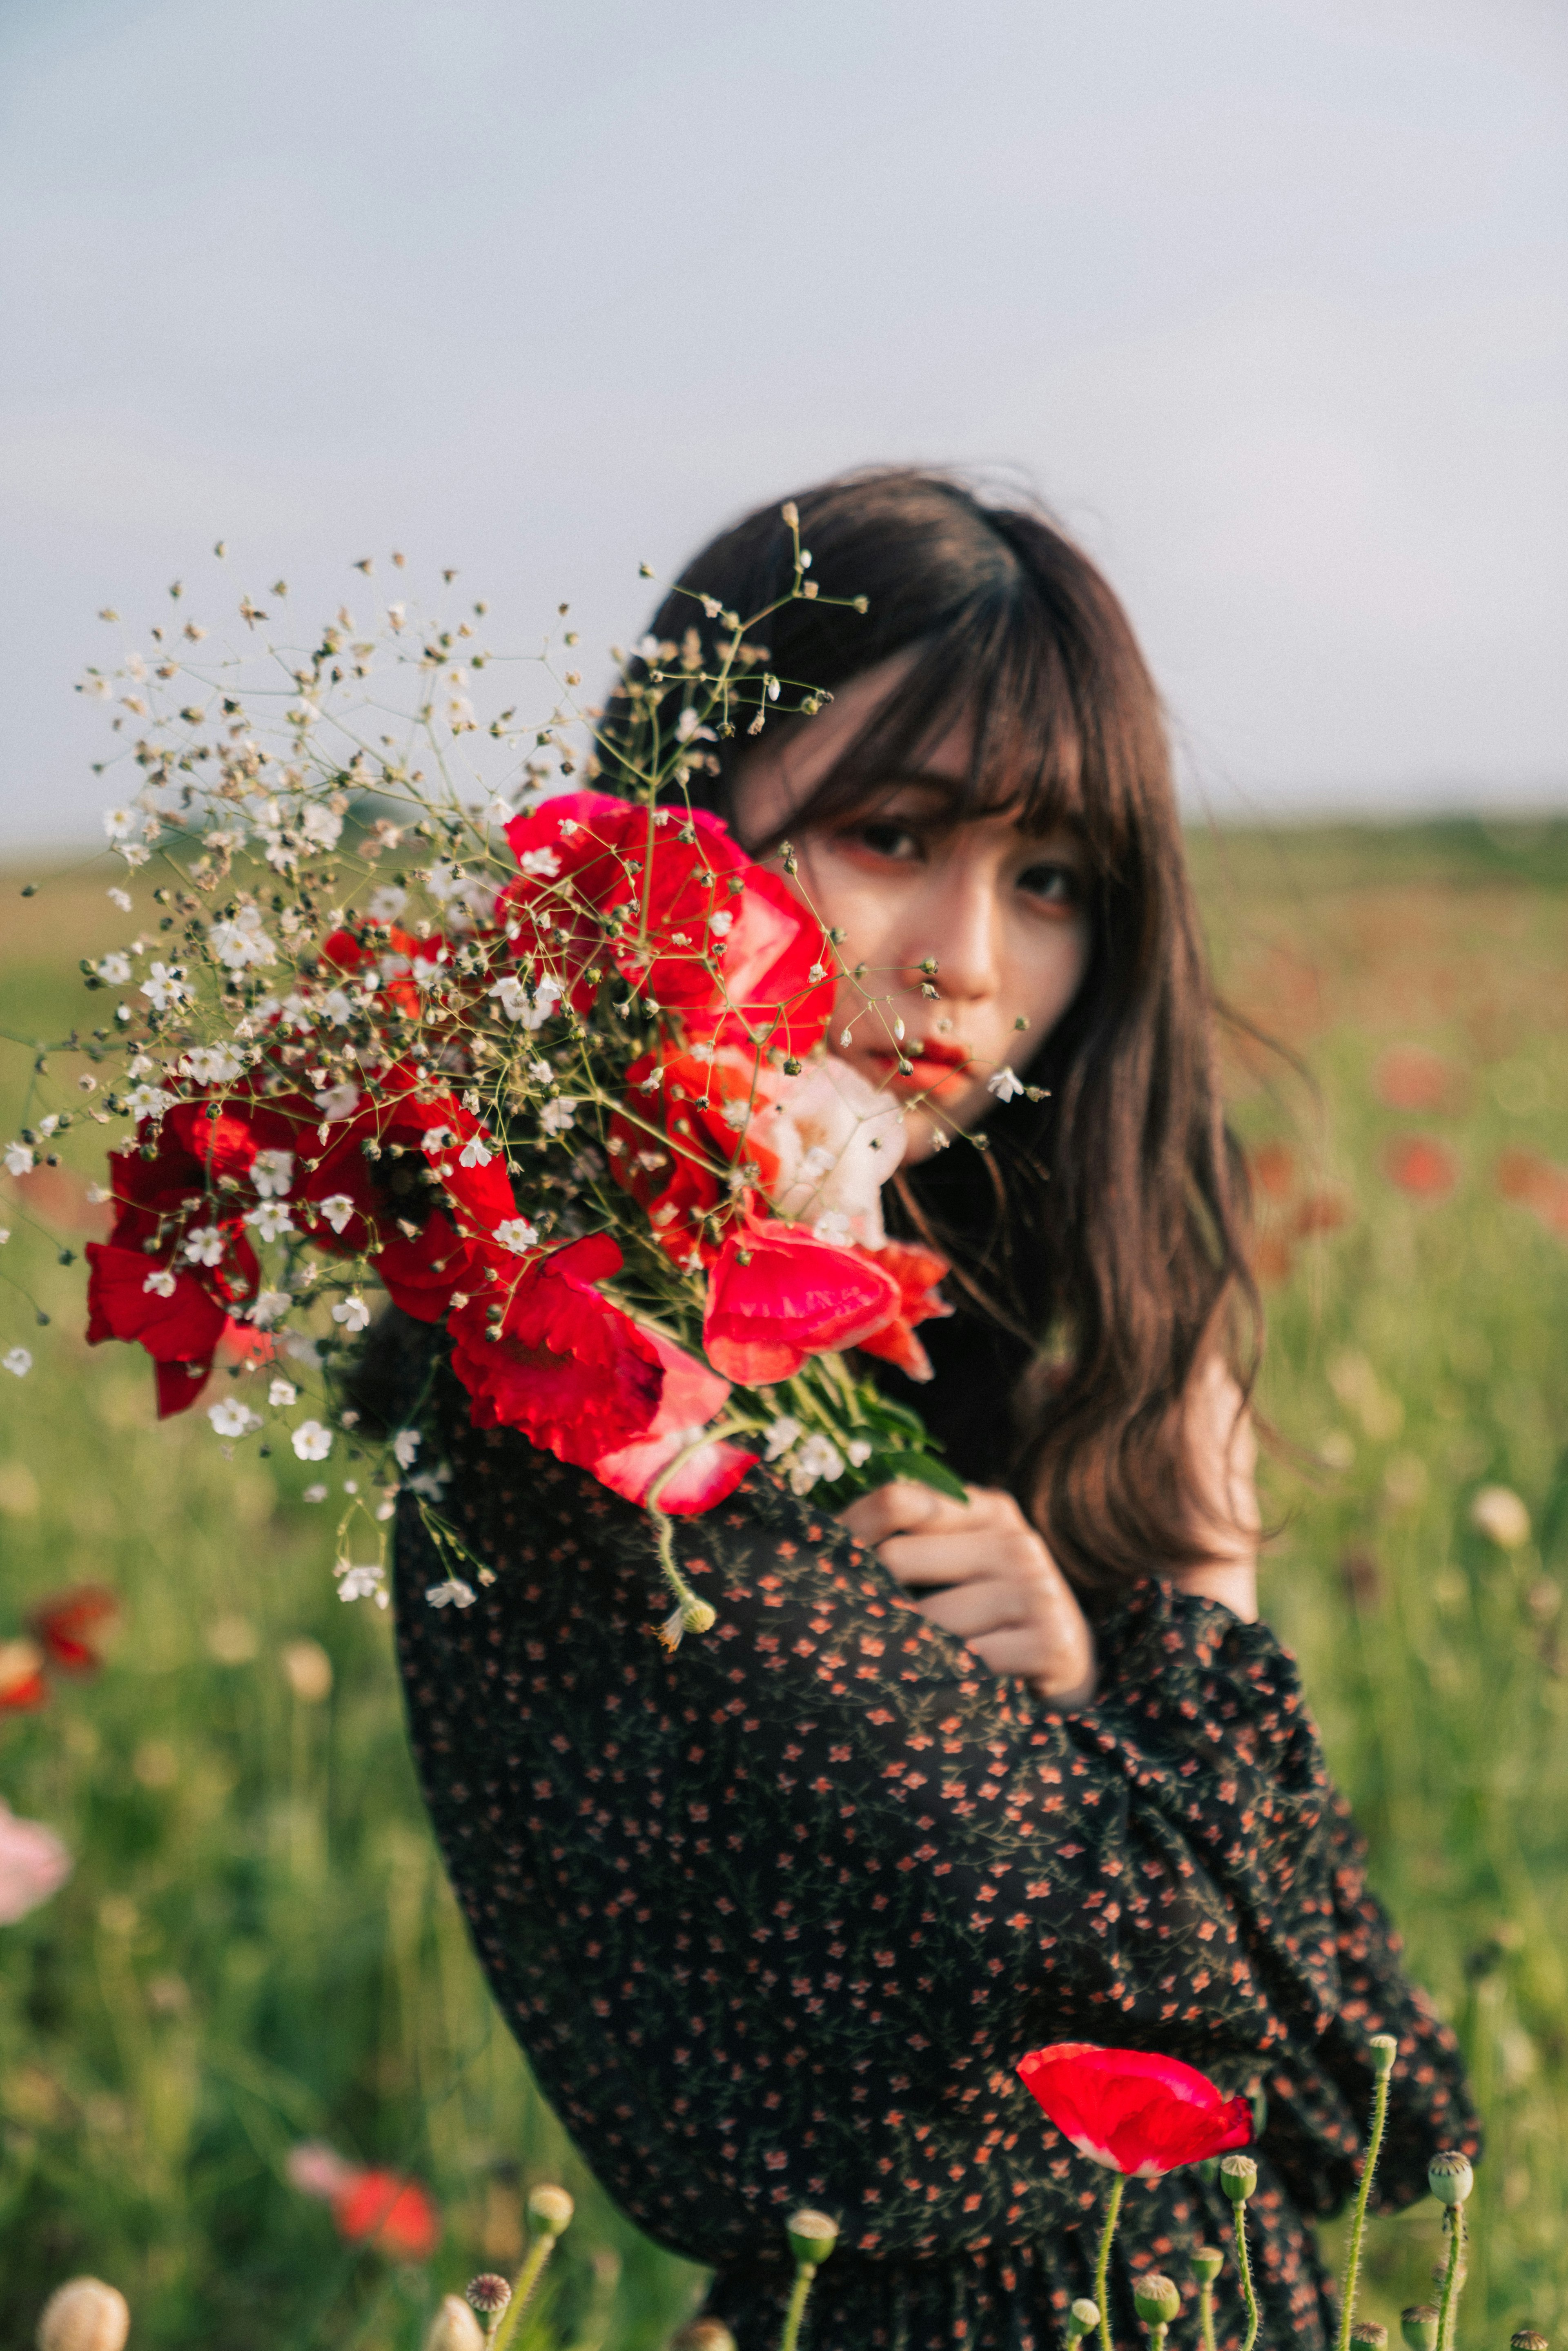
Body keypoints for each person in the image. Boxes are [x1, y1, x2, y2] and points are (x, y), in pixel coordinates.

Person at [380, 471, 1477, 2350]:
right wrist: (1200, 1603)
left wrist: (1098, 1681)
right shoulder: (583, 1400)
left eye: (1053, 881)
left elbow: (1374, 2122)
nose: (972, 960)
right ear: (679, 831)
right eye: (893, 834)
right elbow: (1251, 2023)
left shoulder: (964, 1336)